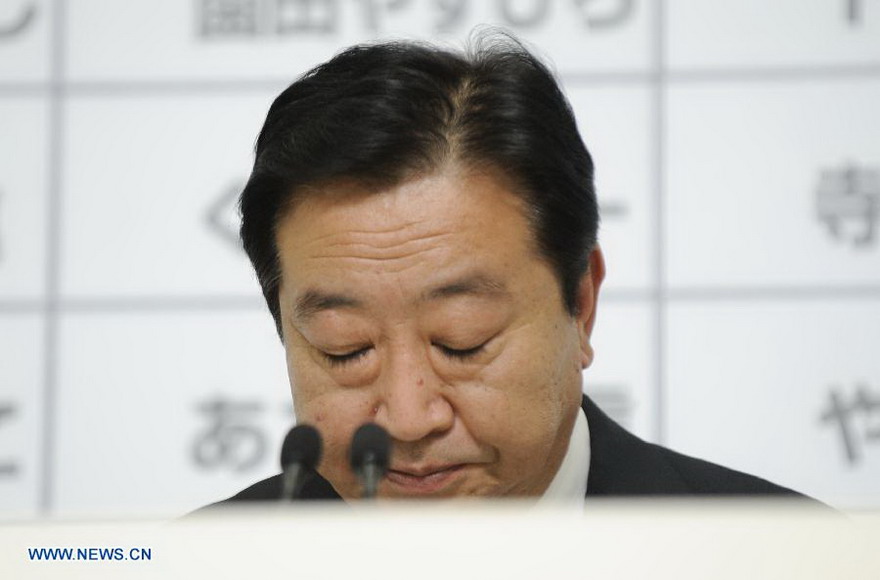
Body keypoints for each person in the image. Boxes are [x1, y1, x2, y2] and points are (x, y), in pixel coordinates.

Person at [211, 34, 802, 504]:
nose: (410, 419)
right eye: (346, 350)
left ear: (582, 305)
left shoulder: (785, 556)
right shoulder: (192, 564)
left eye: (462, 343)